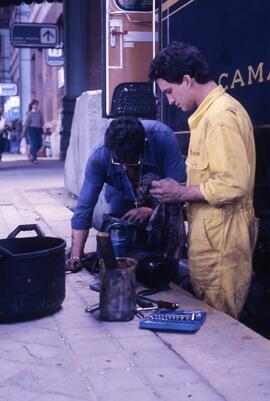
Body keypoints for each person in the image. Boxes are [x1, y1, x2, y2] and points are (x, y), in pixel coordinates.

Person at [148, 42, 258, 319]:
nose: (170, 101)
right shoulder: (208, 116)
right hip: (214, 239)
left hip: (222, 244)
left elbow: (233, 183)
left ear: (187, 79)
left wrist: (180, 193)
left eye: (169, 92)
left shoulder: (219, 118)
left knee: (221, 326)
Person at [66, 116, 186, 272]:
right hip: (120, 192)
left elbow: (179, 191)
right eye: (119, 163)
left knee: (163, 237)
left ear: (143, 147)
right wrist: (76, 256)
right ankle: (132, 260)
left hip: (161, 193)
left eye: (131, 165)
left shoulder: (163, 138)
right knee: (121, 228)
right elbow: (84, 207)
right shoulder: (99, 157)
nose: (124, 169)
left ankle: (163, 263)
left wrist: (151, 211)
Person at [23, 99, 44, 164]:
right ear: (32, 106)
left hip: (38, 129)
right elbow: (26, 123)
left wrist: (42, 126)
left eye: (37, 104)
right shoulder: (30, 113)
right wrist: (24, 132)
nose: (36, 106)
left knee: (40, 144)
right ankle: (34, 159)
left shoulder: (39, 112)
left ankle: (31, 153)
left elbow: (42, 121)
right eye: (34, 104)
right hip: (31, 129)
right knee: (34, 144)